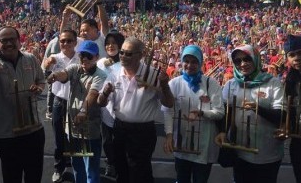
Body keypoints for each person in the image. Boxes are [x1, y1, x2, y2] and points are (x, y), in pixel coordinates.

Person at [98, 37, 174, 183]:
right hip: (120, 129)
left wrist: (164, 85)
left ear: (140, 55)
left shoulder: (153, 74)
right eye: (122, 53)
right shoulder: (114, 73)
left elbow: (169, 103)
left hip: (143, 132)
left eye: (129, 53)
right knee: (121, 171)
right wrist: (106, 92)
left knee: (140, 173)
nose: (123, 56)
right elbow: (100, 103)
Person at [0, 26, 46, 183]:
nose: (9, 43)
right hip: (6, 132)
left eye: (12, 39)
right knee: (12, 175)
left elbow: (41, 81)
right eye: (4, 40)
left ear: (19, 41)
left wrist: (38, 88)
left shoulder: (31, 59)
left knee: (34, 174)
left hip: (33, 128)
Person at [214, 44, 284, 183]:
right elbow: (226, 113)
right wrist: (222, 131)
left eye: (247, 59)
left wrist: (257, 108)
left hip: (267, 152)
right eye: (238, 61)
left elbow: (281, 116)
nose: (243, 64)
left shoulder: (273, 83)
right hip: (240, 151)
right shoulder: (231, 84)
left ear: (256, 58)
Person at [162, 45, 224, 183]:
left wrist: (202, 113)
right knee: (181, 179)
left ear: (200, 63)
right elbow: (168, 111)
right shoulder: (174, 83)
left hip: (204, 147)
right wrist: (169, 135)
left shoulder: (211, 84)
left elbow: (220, 112)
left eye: (194, 61)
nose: (190, 65)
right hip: (181, 144)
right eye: (187, 61)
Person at [47, 40, 106, 183]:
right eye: (82, 55)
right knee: (77, 166)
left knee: (91, 168)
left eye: (89, 56)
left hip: (90, 129)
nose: (84, 59)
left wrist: (83, 111)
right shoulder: (75, 68)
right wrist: (55, 76)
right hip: (72, 127)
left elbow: (93, 94)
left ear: (97, 57)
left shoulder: (100, 75)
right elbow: (64, 74)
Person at [41, 30, 79, 182]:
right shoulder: (54, 58)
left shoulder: (82, 58)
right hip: (60, 101)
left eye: (69, 41)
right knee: (59, 136)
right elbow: (43, 73)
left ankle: (77, 167)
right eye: (63, 41)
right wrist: (46, 65)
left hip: (77, 102)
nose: (65, 43)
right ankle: (59, 167)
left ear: (75, 42)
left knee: (77, 137)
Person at [96, 31, 125, 178]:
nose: (110, 46)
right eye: (107, 43)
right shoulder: (101, 63)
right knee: (107, 141)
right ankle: (110, 163)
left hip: (123, 109)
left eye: (114, 43)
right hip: (105, 108)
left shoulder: (126, 62)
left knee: (120, 141)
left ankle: (120, 164)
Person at [282, 34, 301, 182]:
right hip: (297, 138)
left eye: (300, 53)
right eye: (292, 54)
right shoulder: (290, 80)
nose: (297, 58)